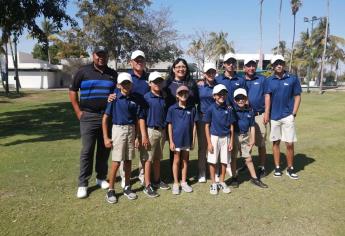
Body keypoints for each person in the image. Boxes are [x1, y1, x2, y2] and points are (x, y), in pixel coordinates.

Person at [69, 46, 117, 199]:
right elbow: (72, 90)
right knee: (87, 150)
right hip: (88, 116)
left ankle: (101, 177)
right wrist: (78, 112)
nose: (101, 57)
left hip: (107, 117)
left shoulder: (112, 74)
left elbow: (116, 92)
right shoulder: (83, 72)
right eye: (98, 55)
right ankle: (83, 183)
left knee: (104, 149)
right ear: (93, 55)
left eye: (104, 55)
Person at [102, 72, 146, 204]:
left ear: (131, 84)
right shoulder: (114, 98)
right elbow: (105, 119)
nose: (126, 85)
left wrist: (138, 136)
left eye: (128, 83)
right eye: (123, 83)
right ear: (118, 85)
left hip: (131, 130)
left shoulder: (134, 99)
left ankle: (127, 186)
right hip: (118, 130)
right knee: (116, 161)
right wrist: (106, 137)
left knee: (128, 160)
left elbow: (138, 120)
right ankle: (111, 189)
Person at [264, 55, 302, 179]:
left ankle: (290, 168)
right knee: (276, 142)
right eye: (276, 63)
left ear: (284, 64)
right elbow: (268, 97)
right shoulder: (269, 80)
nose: (279, 65)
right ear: (273, 66)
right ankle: (277, 167)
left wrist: (294, 113)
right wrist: (267, 113)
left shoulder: (292, 78)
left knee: (289, 143)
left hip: (287, 116)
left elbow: (297, 96)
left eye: (280, 63)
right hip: (274, 117)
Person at [163, 58, 199, 179]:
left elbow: (197, 100)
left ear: (186, 69)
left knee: (185, 152)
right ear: (173, 69)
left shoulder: (192, 84)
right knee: (174, 150)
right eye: (178, 66)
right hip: (173, 121)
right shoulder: (167, 84)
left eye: (183, 66)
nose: (181, 69)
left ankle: (183, 177)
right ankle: (174, 177)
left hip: (188, 120)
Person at [215, 52, 246, 187]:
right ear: (224, 64)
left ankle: (234, 174)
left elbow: (245, 98)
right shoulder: (219, 80)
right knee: (220, 144)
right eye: (228, 62)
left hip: (238, 117)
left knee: (234, 146)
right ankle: (218, 172)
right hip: (222, 117)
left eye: (233, 62)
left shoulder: (241, 80)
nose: (231, 64)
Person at [140, 71, 170, 198]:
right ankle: (147, 185)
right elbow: (141, 118)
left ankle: (157, 180)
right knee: (148, 159)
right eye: (155, 81)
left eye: (159, 81)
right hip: (150, 130)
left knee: (157, 158)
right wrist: (143, 136)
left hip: (161, 131)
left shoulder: (163, 96)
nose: (157, 83)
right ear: (150, 83)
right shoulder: (146, 97)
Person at [233, 88, 268, 188]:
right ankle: (234, 178)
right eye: (238, 98)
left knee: (248, 158)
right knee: (233, 158)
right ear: (234, 100)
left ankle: (254, 179)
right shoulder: (232, 111)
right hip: (234, 136)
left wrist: (252, 139)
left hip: (245, 137)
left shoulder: (250, 111)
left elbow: (252, 126)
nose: (240, 100)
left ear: (246, 99)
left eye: (243, 98)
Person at [204, 84, 236, 195]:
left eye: (224, 93)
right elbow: (207, 126)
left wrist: (231, 141)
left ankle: (222, 181)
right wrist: (208, 143)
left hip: (226, 138)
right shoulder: (210, 109)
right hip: (214, 137)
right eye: (219, 94)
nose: (222, 96)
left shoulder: (229, 108)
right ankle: (213, 183)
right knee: (212, 161)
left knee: (224, 161)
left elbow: (232, 125)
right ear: (214, 96)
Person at [166, 85, 197, 195]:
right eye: (181, 93)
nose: (183, 95)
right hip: (176, 140)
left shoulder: (192, 108)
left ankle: (183, 182)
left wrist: (193, 140)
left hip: (187, 139)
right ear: (177, 95)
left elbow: (194, 125)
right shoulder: (172, 108)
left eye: (186, 93)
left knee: (185, 160)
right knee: (176, 160)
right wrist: (171, 141)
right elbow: (169, 125)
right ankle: (176, 183)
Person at [243, 58, 268, 178]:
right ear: (244, 68)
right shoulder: (241, 80)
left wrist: (267, 113)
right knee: (246, 141)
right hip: (244, 115)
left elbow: (267, 96)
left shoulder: (262, 79)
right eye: (249, 65)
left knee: (261, 142)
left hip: (259, 115)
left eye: (253, 65)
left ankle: (262, 166)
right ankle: (247, 162)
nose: (251, 68)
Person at [196, 62, 217, 183]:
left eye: (212, 72)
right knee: (203, 147)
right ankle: (202, 171)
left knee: (215, 145)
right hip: (202, 119)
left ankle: (215, 170)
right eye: (208, 72)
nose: (210, 74)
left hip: (215, 119)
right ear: (204, 74)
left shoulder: (218, 85)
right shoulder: (199, 86)